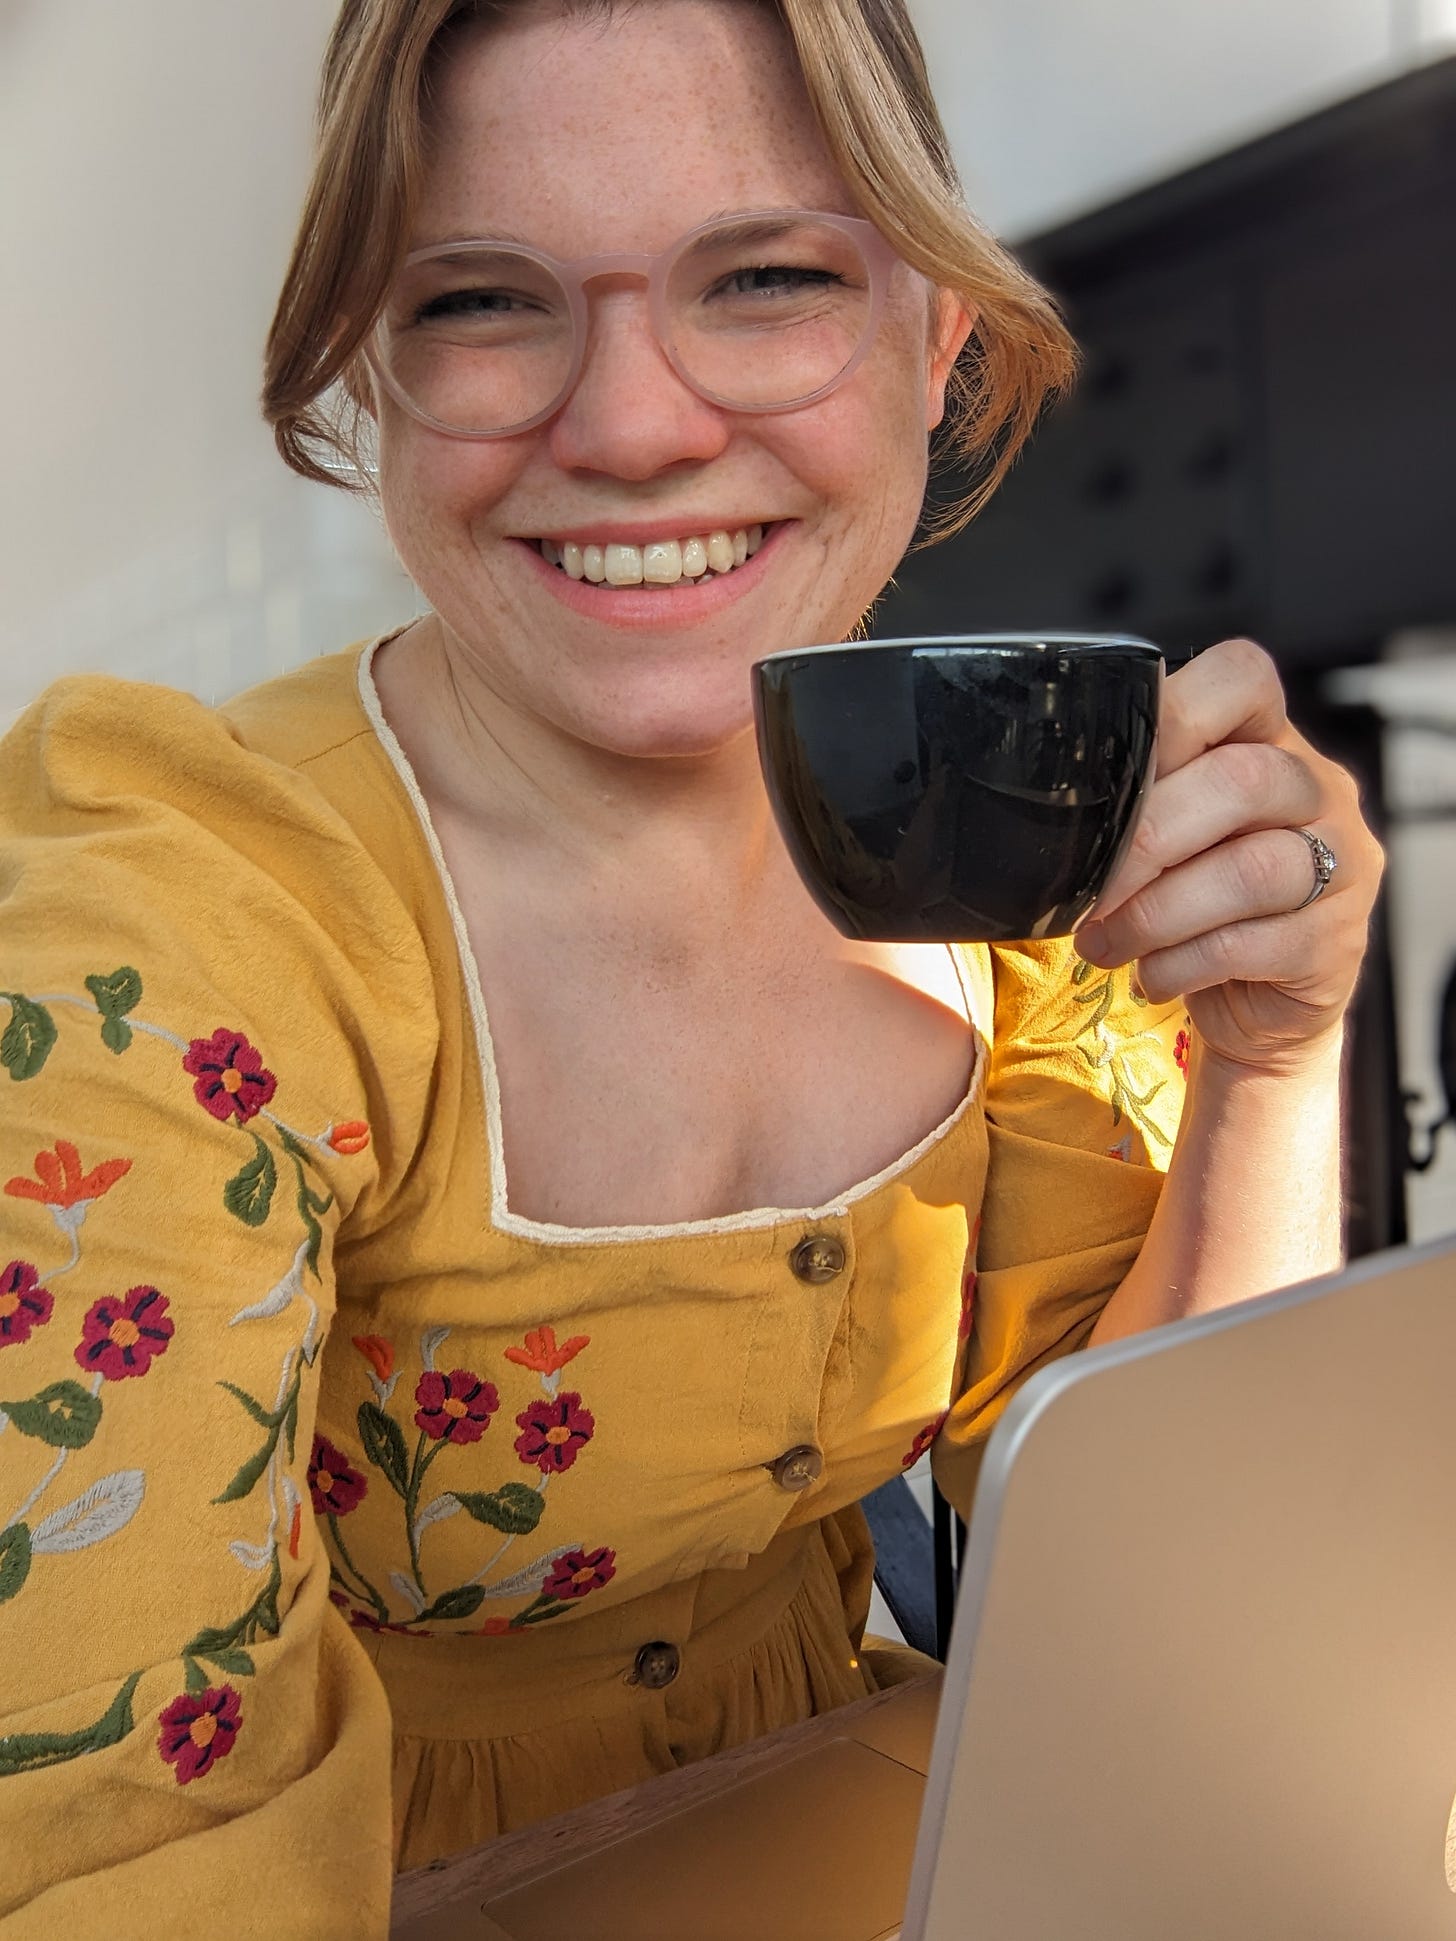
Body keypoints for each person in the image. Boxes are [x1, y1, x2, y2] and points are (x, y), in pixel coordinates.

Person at [0, 0, 1381, 1932]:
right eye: (481, 302)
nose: (636, 424)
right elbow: (126, 1855)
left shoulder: (990, 834)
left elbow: (1162, 1591)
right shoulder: (173, 940)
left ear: (935, 342)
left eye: (768, 277)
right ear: (365, 374)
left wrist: (1274, 1053)